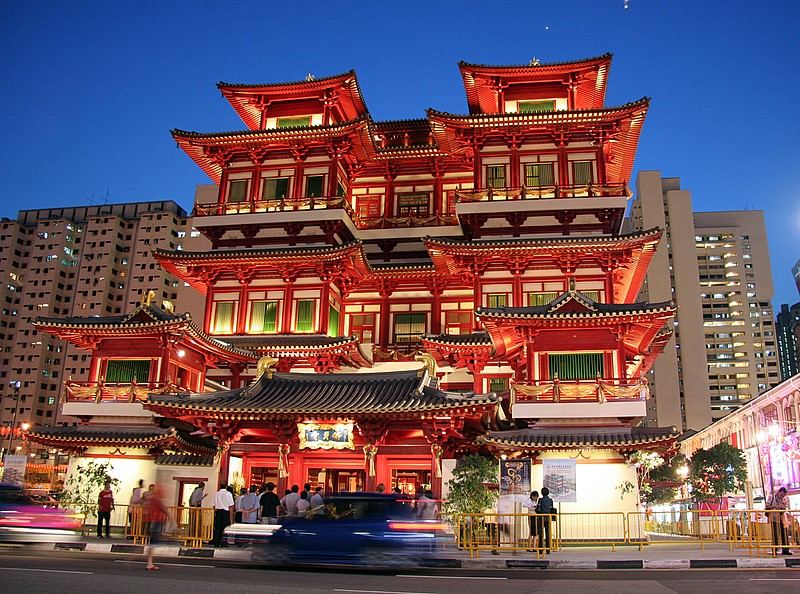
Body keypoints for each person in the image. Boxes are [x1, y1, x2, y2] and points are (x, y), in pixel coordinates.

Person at [143, 484, 168, 571]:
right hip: (156, 522)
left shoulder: (151, 500)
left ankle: (149, 563)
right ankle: (149, 563)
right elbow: (164, 508)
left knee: (152, 543)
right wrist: (171, 519)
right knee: (153, 543)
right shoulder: (156, 499)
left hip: (152, 521)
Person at [768, 486, 791, 555]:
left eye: (783, 495)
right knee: (775, 534)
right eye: (781, 495)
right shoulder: (772, 497)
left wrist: (784, 505)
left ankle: (785, 550)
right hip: (774, 518)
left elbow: (786, 507)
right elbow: (767, 506)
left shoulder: (785, 499)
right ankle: (775, 550)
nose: (782, 496)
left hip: (783, 517)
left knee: (784, 534)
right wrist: (775, 507)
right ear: (778, 492)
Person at [211, 483, 235, 548]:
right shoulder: (228, 494)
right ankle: (223, 542)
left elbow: (214, 505)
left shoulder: (216, 494)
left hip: (218, 512)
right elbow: (231, 505)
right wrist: (231, 516)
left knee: (217, 528)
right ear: (226, 486)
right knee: (225, 528)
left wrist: (214, 513)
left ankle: (216, 543)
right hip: (225, 512)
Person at [536, 487, 555, 554]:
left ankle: (541, 549)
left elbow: (537, 509)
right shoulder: (550, 500)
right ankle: (548, 549)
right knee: (548, 533)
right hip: (548, 517)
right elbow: (551, 508)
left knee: (541, 534)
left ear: (541, 493)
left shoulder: (540, 500)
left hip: (541, 517)